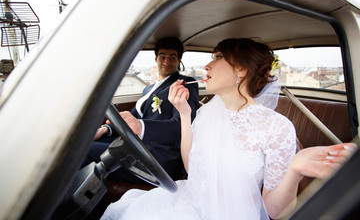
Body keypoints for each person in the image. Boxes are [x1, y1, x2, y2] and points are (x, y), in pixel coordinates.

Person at [100, 38, 357, 219]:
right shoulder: (207, 111)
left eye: (218, 57)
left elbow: (275, 212)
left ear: (241, 70)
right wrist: (185, 115)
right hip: (188, 201)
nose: (207, 66)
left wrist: (295, 170)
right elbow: (193, 169)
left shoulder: (277, 127)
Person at [84, 36, 199, 183]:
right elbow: (133, 115)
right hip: (135, 145)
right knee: (83, 146)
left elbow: (181, 125)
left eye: (172, 57)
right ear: (156, 59)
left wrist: (141, 126)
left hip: (158, 157)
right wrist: (106, 129)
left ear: (179, 61)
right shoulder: (148, 89)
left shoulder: (184, 84)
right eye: (162, 56)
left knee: (84, 153)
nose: (166, 62)